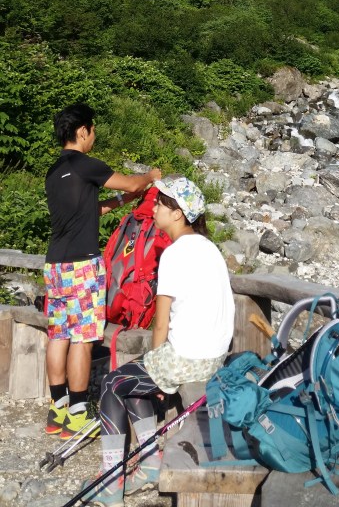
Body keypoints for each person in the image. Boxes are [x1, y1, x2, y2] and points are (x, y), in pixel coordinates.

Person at [81, 175, 235, 507]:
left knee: (111, 383)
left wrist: (157, 368)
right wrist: (152, 373)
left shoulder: (174, 254)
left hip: (189, 356)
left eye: (161, 204)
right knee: (133, 380)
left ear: (178, 213)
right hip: (215, 354)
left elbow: (160, 323)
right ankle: (149, 463)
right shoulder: (209, 248)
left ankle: (110, 482)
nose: (154, 209)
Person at [43, 102, 162, 439]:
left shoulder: (55, 173)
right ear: (83, 131)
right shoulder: (86, 165)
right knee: (82, 339)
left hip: (56, 266)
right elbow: (132, 184)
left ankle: (58, 409)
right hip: (83, 265)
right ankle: (79, 412)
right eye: (92, 130)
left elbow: (88, 209)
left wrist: (122, 204)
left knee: (59, 335)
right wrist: (150, 177)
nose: (93, 136)